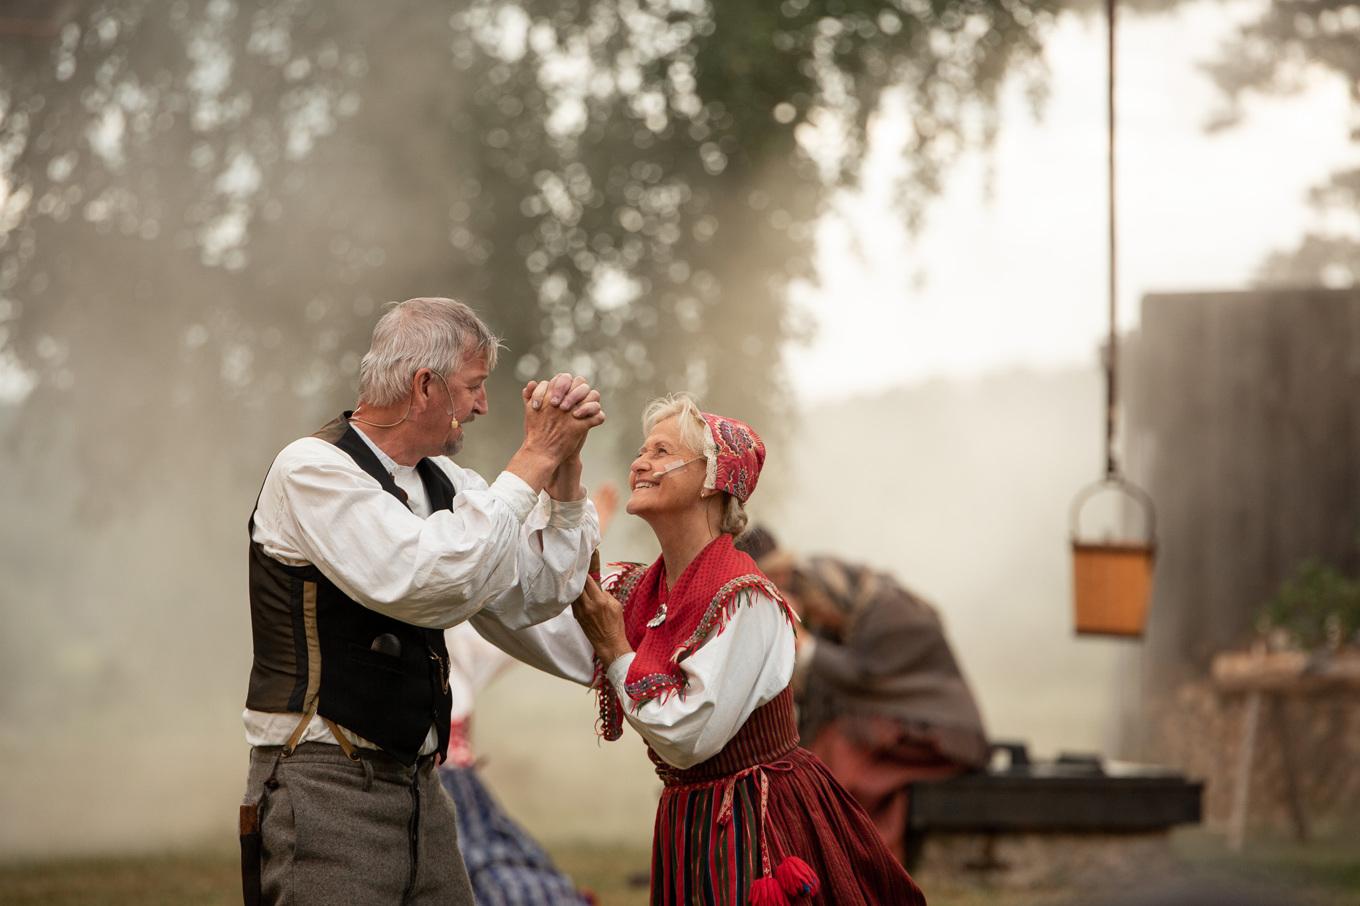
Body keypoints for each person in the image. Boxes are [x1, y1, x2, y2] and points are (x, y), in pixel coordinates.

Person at [473, 393, 926, 906]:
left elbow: (686, 734)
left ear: (715, 479)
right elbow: (519, 614)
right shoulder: (640, 591)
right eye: (643, 450)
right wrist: (562, 480)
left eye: (662, 451)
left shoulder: (746, 597)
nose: (640, 462)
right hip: (689, 818)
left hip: (761, 824)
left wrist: (616, 646)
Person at [240, 297, 604, 905]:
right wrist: (533, 456)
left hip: (421, 789)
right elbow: (425, 582)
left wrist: (563, 474)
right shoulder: (311, 469)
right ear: (425, 385)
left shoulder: (449, 484)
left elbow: (535, 594)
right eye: (474, 386)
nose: (483, 405)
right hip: (325, 786)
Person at [735, 526, 989, 864]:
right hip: (900, 734)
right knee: (814, 757)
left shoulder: (891, 614)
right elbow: (820, 698)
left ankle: (845, 864)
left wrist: (804, 641)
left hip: (945, 736)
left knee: (837, 754)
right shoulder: (848, 618)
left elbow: (863, 677)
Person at [438, 623, 593, 905]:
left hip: (460, 789)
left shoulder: (456, 645)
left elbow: (524, 626)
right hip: (422, 787)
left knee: (494, 868)